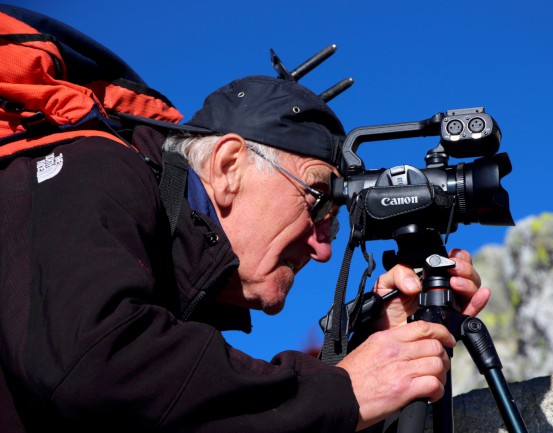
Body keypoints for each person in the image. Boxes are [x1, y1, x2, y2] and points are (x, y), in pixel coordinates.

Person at [0, 74, 490, 432]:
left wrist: (368, 349)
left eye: (334, 224)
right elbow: (93, 368)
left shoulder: (173, 297)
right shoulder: (94, 168)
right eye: (318, 200)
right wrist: (340, 391)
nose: (323, 249)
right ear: (230, 165)